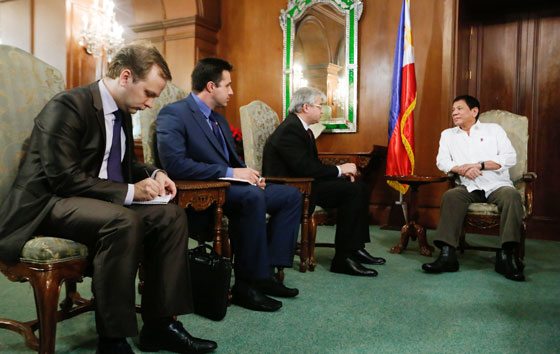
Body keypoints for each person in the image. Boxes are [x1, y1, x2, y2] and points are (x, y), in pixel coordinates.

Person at [0, 43, 217, 354]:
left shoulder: (123, 114)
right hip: (49, 202)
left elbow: (123, 165)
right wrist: (132, 192)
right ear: (126, 77)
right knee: (123, 220)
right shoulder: (68, 106)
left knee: (171, 217)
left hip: (94, 201)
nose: (150, 104)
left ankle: (161, 326)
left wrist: (155, 173)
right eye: (149, 94)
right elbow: (63, 178)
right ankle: (113, 340)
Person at [156, 57, 302, 313]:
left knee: (290, 196)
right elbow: (176, 164)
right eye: (228, 85)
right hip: (202, 192)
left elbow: (233, 161)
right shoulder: (174, 113)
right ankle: (247, 285)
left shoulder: (220, 120)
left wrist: (252, 175)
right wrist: (230, 172)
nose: (232, 92)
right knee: (252, 198)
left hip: (232, 189)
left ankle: (266, 273)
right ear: (211, 86)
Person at [262, 87, 386, 277]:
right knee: (352, 191)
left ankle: (354, 248)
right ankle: (343, 259)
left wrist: (341, 173)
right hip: (292, 188)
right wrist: (339, 170)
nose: (322, 110)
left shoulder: (302, 129)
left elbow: (311, 166)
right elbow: (305, 168)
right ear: (305, 107)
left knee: (358, 186)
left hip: (306, 182)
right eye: (319, 106)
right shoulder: (290, 130)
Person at [422, 95, 525, 281]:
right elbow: (442, 161)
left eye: (459, 108)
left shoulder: (494, 130)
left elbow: (510, 157)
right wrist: (460, 169)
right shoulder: (448, 135)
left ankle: (506, 256)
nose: (454, 112)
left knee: (512, 196)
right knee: (451, 196)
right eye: (453, 109)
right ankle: (447, 255)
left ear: (474, 111)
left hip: (497, 184)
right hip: (468, 186)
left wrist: (480, 165)